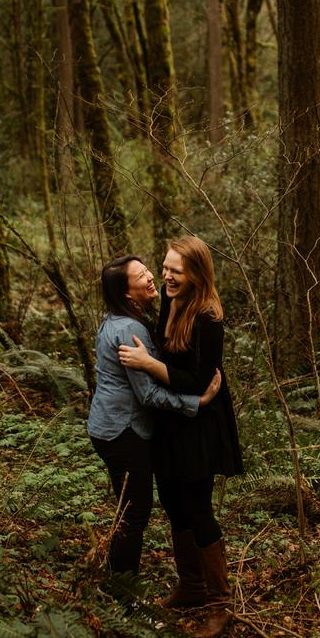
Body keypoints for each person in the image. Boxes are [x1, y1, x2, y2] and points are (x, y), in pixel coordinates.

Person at [118, 234, 243, 638]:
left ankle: (220, 603)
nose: (168, 276)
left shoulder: (209, 318)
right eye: (166, 267)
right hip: (172, 418)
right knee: (172, 501)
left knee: (197, 506)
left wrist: (148, 365)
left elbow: (199, 379)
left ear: (197, 273)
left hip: (200, 422)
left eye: (177, 270)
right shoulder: (173, 302)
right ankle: (191, 587)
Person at [88, 255, 221, 601]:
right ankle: (122, 598)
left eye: (149, 270)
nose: (153, 278)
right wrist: (197, 402)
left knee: (129, 512)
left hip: (109, 427)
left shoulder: (124, 318)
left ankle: (136, 590)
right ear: (127, 295)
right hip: (123, 432)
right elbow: (147, 394)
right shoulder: (130, 329)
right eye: (142, 276)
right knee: (134, 517)